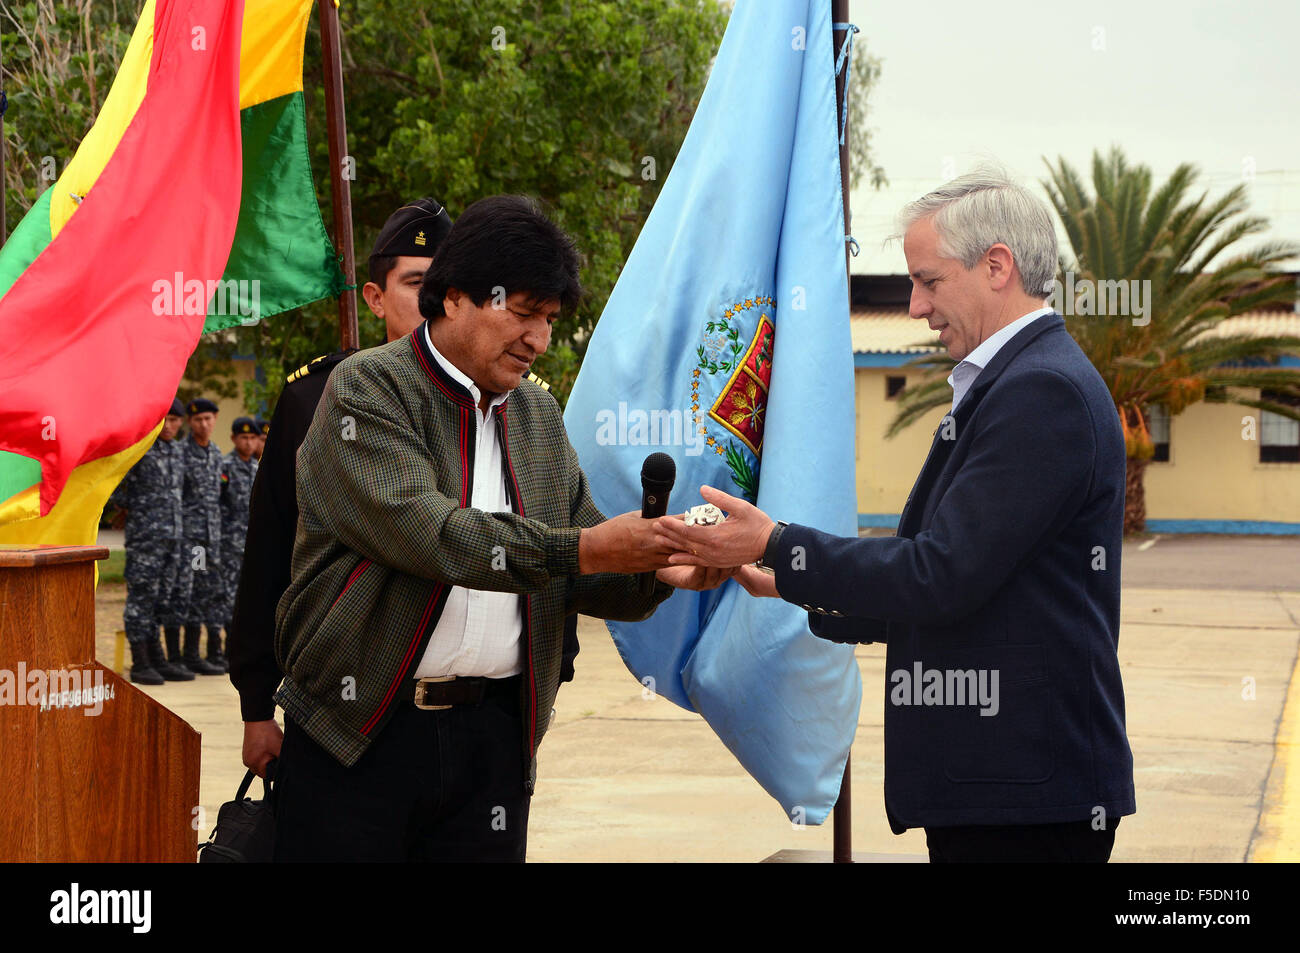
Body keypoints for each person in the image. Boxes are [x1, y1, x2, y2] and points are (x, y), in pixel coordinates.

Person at [657, 169, 1136, 863]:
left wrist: (780, 542)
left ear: (996, 266)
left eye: (928, 280)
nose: (914, 305)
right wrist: (774, 572)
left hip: (1024, 795)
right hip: (1006, 788)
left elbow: (939, 573)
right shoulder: (1019, 380)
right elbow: (956, 585)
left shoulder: (1042, 391)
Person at [270, 195, 726, 862]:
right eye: (520, 311)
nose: (537, 338)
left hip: (494, 741)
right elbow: (437, 536)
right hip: (360, 732)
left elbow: (579, 560)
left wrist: (661, 569)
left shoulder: (537, 414)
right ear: (451, 296)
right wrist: (591, 547)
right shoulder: (366, 391)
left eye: (548, 318)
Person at [228, 197, 454, 777]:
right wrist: (257, 705)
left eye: (450, 285)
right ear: (375, 297)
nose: (435, 301)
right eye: (416, 283)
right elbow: (269, 553)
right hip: (339, 710)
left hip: (470, 712)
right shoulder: (314, 399)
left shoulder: (499, 403)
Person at [108, 397, 194, 684]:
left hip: (174, 538)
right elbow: (117, 491)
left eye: (174, 420)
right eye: (164, 420)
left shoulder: (178, 453)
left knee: (162, 599)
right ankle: (140, 661)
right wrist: (139, 511)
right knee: (141, 599)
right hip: (146, 539)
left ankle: (157, 657)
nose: (169, 426)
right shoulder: (140, 450)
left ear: (181, 422)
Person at [174, 397, 226, 675]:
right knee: (190, 594)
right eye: (198, 420)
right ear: (190, 423)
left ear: (215, 419)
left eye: (208, 419)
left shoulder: (216, 454)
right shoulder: (181, 453)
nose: (204, 424)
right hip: (190, 539)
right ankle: (187, 655)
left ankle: (204, 654)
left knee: (207, 593)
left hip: (211, 538)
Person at [215, 416, 259, 671]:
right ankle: (225, 649)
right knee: (228, 597)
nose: (248, 442)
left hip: (250, 544)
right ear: (233, 439)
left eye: (253, 437)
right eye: (243, 437)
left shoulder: (257, 469)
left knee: (248, 598)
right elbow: (217, 505)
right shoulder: (225, 467)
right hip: (229, 543)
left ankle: (244, 650)